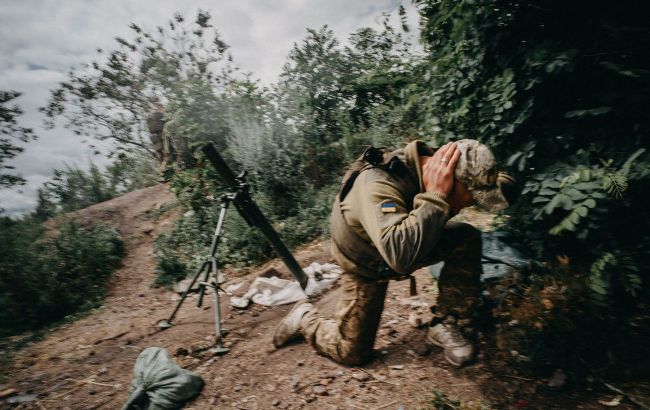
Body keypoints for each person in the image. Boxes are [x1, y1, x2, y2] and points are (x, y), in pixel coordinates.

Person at [272, 139, 517, 367]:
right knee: (352, 352)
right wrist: (435, 198)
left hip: (411, 236)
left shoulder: (445, 166)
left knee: (466, 237)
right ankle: (305, 318)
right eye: (460, 202)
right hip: (367, 262)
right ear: (446, 180)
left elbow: (500, 186)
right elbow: (400, 258)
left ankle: (445, 323)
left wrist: (494, 186)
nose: (459, 209)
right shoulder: (379, 184)